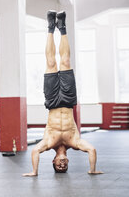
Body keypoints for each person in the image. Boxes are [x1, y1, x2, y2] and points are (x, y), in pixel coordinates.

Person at [23, 11, 103, 177]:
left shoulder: (48, 143)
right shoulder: (74, 142)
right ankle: (63, 27)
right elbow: (92, 150)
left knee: (51, 63)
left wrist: (34, 171)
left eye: (58, 167)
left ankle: (51, 28)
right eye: (64, 167)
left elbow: (35, 152)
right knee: (66, 62)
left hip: (52, 102)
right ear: (68, 162)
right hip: (68, 101)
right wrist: (92, 169)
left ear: (53, 161)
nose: (62, 165)